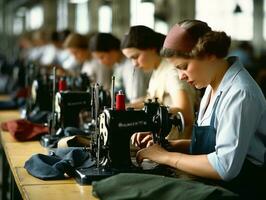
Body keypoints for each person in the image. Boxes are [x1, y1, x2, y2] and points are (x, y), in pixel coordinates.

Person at [134, 19, 266, 199]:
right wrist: (171, 146)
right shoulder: (213, 87)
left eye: (184, 67)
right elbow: (215, 144)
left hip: (240, 191)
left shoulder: (240, 93)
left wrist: (165, 157)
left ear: (209, 55)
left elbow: (224, 166)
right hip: (217, 186)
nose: (181, 76)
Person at [121, 25, 197, 139]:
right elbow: (152, 102)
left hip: (178, 143)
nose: (134, 64)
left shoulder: (171, 71)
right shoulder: (158, 70)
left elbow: (186, 114)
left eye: (136, 56)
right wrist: (126, 107)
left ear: (151, 48)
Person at [89, 33, 150, 103]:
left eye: (102, 57)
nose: (101, 62)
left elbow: (136, 100)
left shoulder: (130, 67)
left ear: (112, 50)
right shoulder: (118, 65)